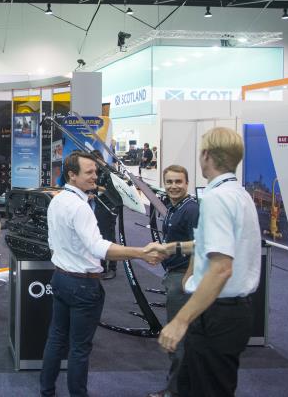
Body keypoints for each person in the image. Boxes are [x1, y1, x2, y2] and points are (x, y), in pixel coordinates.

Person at [39, 152, 164, 397]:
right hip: (82, 286)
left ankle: (46, 391)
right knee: (79, 348)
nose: (95, 176)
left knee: (56, 338)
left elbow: (55, 242)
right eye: (89, 172)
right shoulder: (79, 207)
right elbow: (98, 248)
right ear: (72, 175)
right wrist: (140, 253)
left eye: (95, 171)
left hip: (61, 279)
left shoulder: (57, 200)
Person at [157, 127, 261, 397]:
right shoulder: (239, 194)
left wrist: (180, 321)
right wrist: (173, 247)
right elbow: (218, 246)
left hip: (217, 314)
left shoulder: (216, 198)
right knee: (195, 385)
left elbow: (221, 268)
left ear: (205, 155)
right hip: (230, 313)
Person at [147, 165, 199, 397]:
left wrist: (188, 278)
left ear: (187, 183)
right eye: (169, 182)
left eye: (178, 182)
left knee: (177, 338)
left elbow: (199, 246)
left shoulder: (191, 210)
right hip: (174, 274)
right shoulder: (173, 207)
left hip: (182, 279)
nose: (173, 186)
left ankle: (175, 391)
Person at [89, 150, 118, 281]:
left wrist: (96, 188)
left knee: (109, 237)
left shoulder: (109, 172)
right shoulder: (97, 172)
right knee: (99, 235)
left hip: (109, 207)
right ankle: (102, 266)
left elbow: (111, 190)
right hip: (100, 205)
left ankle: (112, 268)